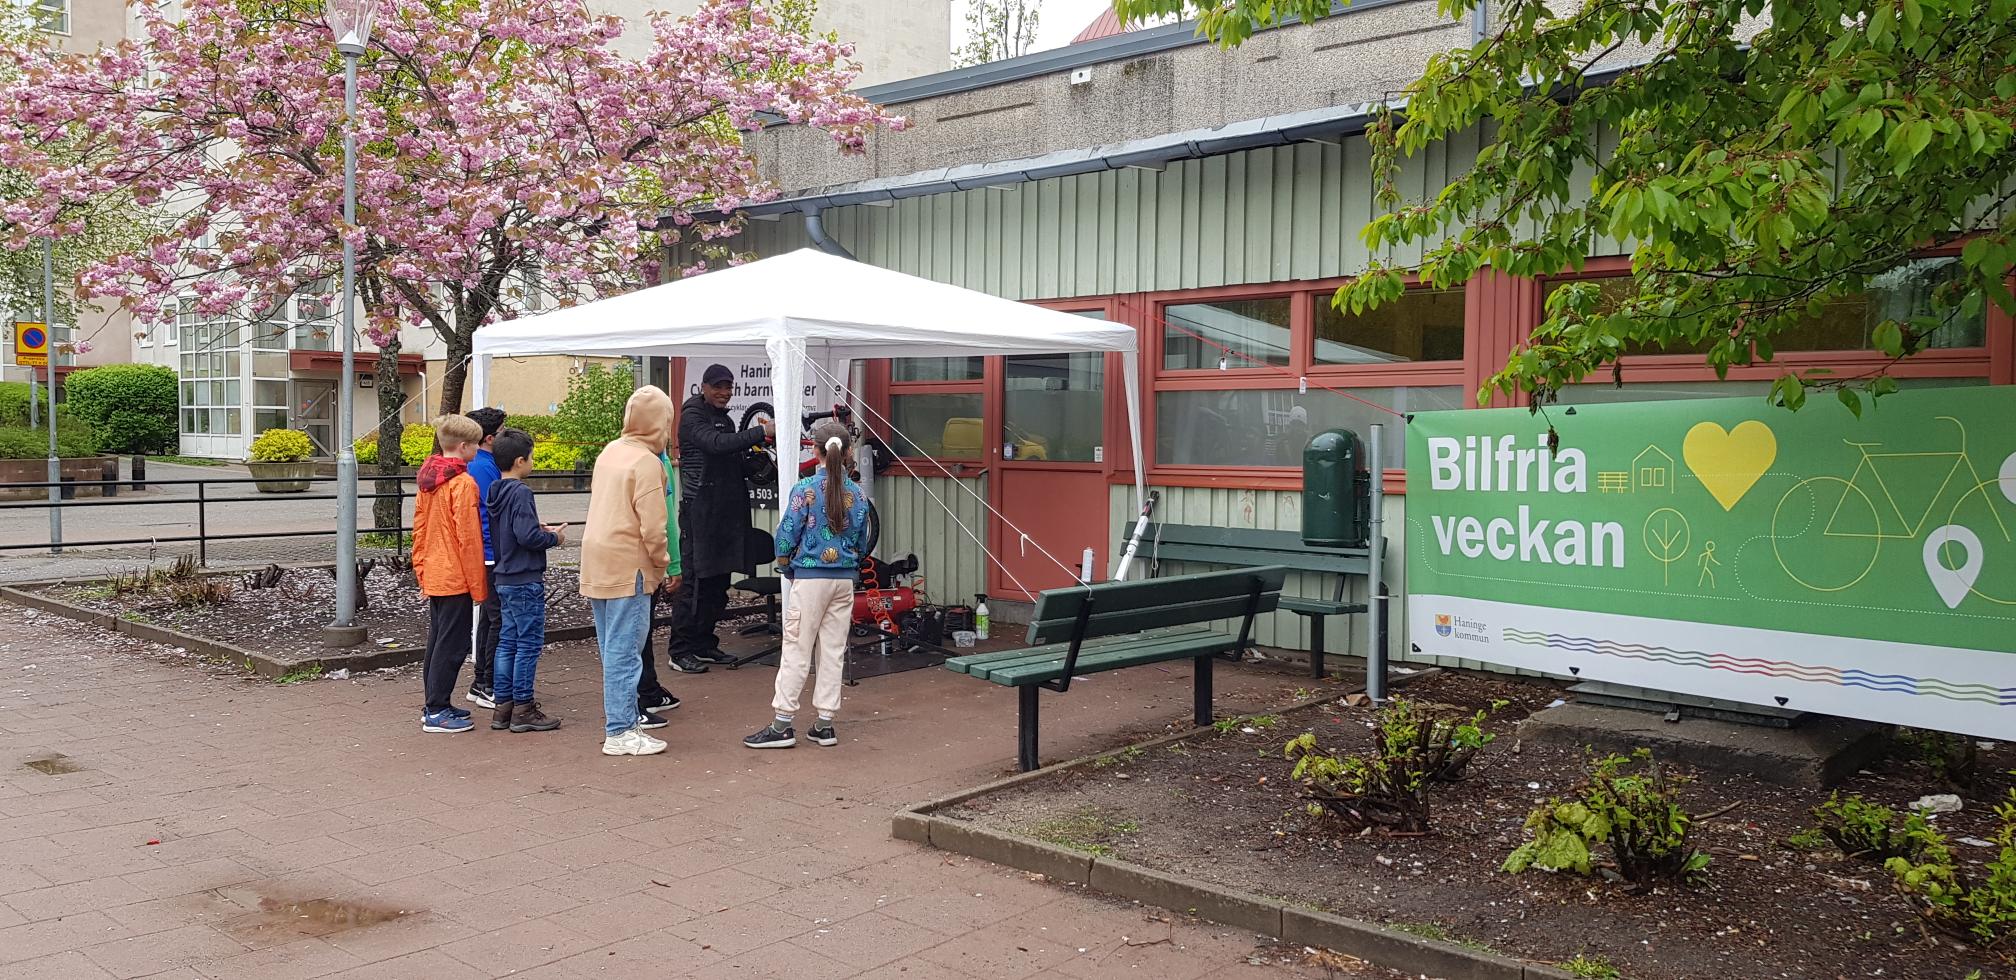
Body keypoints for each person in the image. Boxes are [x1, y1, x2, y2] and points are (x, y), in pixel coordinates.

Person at [745, 419, 871, 750]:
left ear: (815, 451)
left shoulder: (804, 490)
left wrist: (785, 565)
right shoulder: (858, 494)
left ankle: (782, 724)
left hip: (810, 579)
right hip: (844, 581)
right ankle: (824, 724)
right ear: (848, 453)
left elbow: (786, 534)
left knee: (797, 649)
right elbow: (862, 540)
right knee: (832, 651)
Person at [581, 386, 678, 757]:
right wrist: (663, 561)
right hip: (629, 564)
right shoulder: (647, 462)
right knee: (626, 650)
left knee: (611, 648)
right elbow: (654, 526)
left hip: (597, 559)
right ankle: (621, 729)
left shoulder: (610, 451)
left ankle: (621, 723)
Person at [670, 364, 773, 674]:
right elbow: (714, 444)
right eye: (718, 386)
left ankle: (704, 644)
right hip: (699, 512)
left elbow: (732, 457)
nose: (724, 392)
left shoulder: (725, 420)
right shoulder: (692, 416)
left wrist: (756, 460)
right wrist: (761, 431)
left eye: (729, 387)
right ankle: (680, 650)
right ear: (703, 387)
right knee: (695, 583)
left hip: (726, 513)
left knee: (718, 583)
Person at [484, 427, 565, 733]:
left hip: (504, 575)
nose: (532, 462)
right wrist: (554, 537)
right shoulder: (521, 492)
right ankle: (523, 707)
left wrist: (534, 527)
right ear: (520, 461)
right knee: (528, 643)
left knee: (507, 641)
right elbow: (526, 536)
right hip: (524, 576)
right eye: (531, 457)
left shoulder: (495, 490)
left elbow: (513, 529)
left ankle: (503, 707)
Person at [412, 414, 488, 734]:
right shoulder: (463, 483)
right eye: (476, 445)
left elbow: (419, 529)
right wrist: (479, 587)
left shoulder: (429, 479)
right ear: (464, 446)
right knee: (453, 645)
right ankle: (437, 709)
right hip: (455, 575)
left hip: (435, 571)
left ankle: (434, 702)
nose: (479, 450)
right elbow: (469, 539)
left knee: (437, 641)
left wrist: (421, 570)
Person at [633, 442, 683, 722]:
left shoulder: (615, 458)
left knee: (635, 633)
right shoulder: (657, 463)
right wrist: (672, 564)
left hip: (617, 562)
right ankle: (641, 697)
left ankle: (648, 688)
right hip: (645, 562)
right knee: (640, 633)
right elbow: (665, 521)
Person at [464, 406, 507, 710]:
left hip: (489, 552)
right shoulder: (483, 467)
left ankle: (482, 680)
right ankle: (487, 684)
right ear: (490, 438)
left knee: (491, 618)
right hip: (490, 554)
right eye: (503, 431)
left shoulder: (483, 464)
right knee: (497, 619)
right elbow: (488, 514)